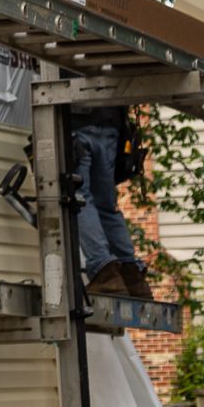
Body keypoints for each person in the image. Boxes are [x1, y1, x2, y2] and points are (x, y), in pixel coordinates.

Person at [72, 103, 153, 299]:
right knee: (105, 205)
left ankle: (105, 270)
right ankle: (130, 273)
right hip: (110, 125)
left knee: (80, 198)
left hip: (76, 123)